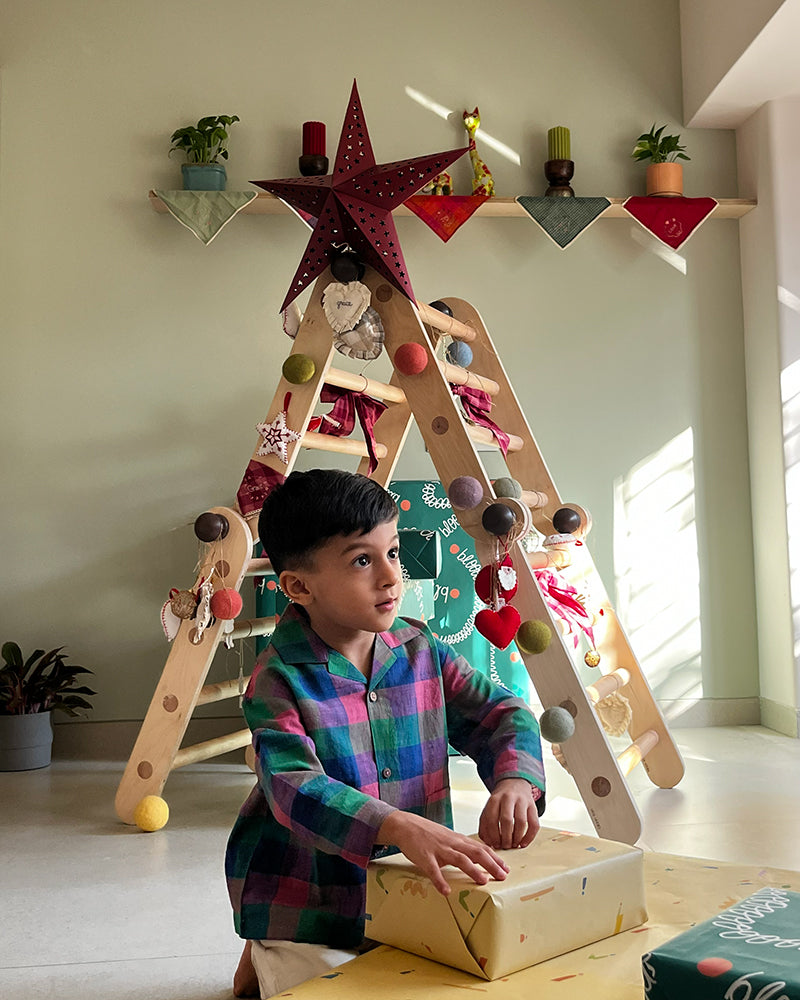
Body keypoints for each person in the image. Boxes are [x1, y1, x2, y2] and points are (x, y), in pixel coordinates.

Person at [225, 469, 546, 999]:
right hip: (311, 899)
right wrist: (393, 825)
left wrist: (515, 781)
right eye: (361, 560)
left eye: (393, 552)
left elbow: (503, 714)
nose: (391, 576)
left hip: (411, 893)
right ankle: (268, 945)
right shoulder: (277, 678)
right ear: (299, 586)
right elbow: (291, 784)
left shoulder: (421, 649)